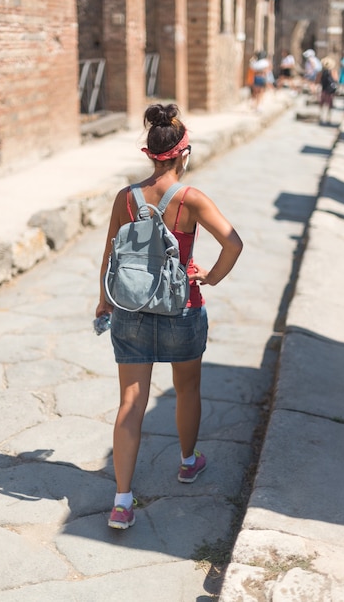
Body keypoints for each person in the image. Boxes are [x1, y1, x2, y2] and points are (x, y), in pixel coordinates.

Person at [96, 103, 243, 528]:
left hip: (131, 307)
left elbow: (110, 252)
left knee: (130, 400)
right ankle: (186, 461)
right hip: (182, 307)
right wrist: (210, 276)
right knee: (187, 388)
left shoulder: (126, 198)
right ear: (183, 154)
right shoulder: (192, 200)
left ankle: (122, 501)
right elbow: (233, 243)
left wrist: (103, 299)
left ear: (149, 153)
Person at [319, 56, 338, 125]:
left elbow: (318, 80)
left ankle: (321, 117)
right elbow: (336, 80)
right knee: (329, 104)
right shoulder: (333, 71)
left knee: (322, 104)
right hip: (330, 91)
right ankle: (328, 118)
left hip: (323, 90)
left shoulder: (321, 72)